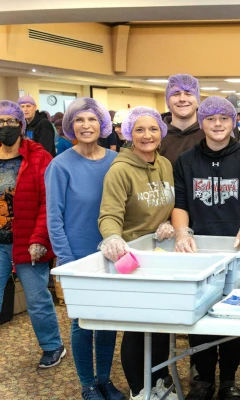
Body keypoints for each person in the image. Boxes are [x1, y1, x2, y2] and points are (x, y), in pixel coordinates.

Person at [171, 96, 240, 400]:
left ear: (234, 121)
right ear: (202, 123)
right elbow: (181, 203)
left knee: (232, 314)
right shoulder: (186, 160)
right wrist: (182, 232)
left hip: (236, 249)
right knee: (199, 315)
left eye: (224, 119)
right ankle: (203, 379)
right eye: (211, 119)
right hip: (198, 250)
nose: (217, 125)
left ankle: (228, 380)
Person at [45, 98, 125, 400]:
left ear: (102, 125)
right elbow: (55, 218)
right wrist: (66, 263)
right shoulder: (59, 166)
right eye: (79, 121)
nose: (86, 126)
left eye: (92, 120)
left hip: (112, 254)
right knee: (82, 323)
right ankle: (88, 384)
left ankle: (104, 379)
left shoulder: (115, 161)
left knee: (106, 320)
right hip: (77, 257)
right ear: (70, 126)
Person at [98, 106, 177, 400]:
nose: (147, 135)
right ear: (129, 133)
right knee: (137, 326)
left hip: (162, 255)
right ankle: (139, 390)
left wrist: (168, 223)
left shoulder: (165, 165)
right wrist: (113, 238)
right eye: (140, 130)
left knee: (161, 322)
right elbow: (109, 214)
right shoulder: (120, 169)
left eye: (153, 129)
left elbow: (168, 204)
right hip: (133, 259)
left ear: (161, 132)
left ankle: (159, 381)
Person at [0, 100, 65, 368]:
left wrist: (40, 238)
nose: (6, 127)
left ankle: (53, 346)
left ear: (21, 125)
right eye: (1, 122)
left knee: (37, 299)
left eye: (11, 121)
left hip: (29, 240)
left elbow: (47, 203)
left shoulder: (39, 157)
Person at [161, 74, 205, 164]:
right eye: (176, 94)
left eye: (188, 93)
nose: (182, 99)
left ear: (197, 99)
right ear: (167, 100)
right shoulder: (157, 135)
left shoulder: (209, 133)